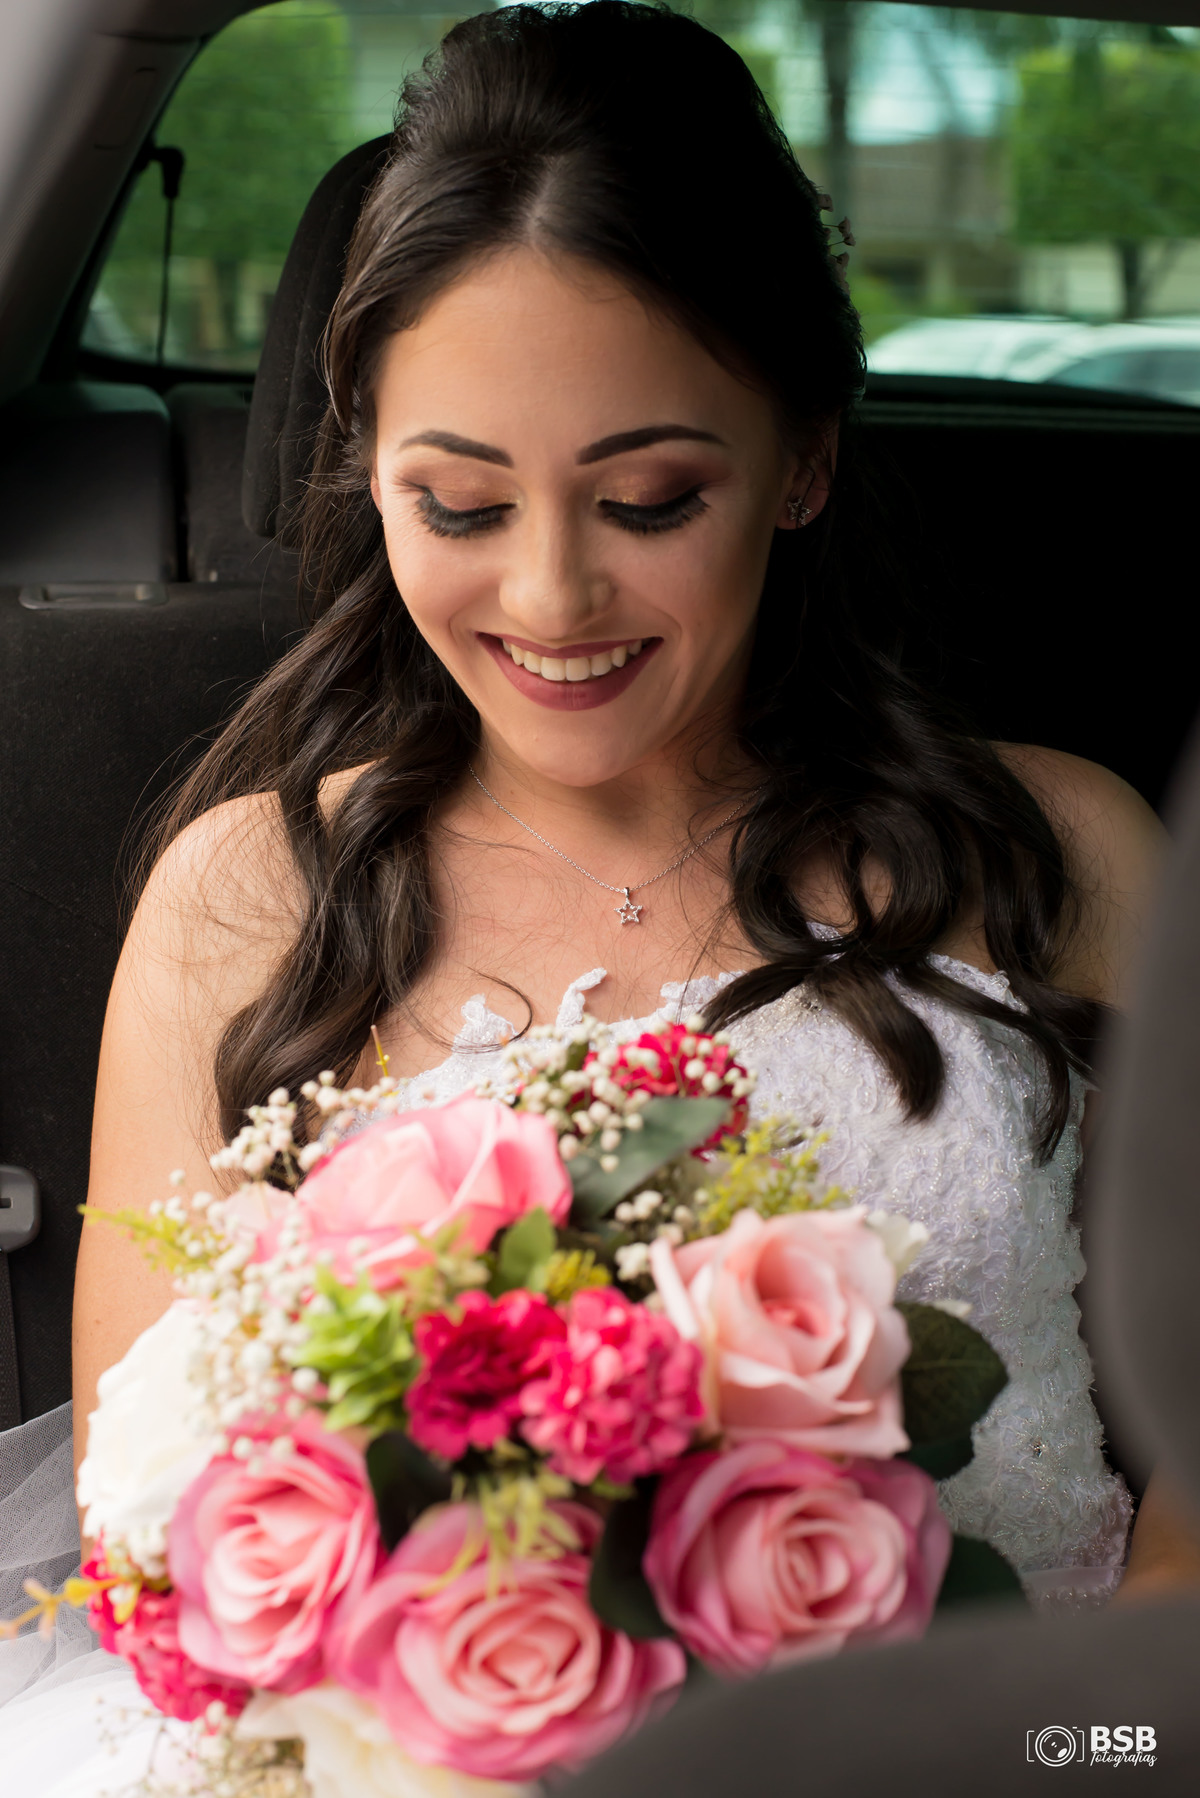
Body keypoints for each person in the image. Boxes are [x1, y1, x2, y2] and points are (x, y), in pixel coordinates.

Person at [1, 1, 1193, 1784]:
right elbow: (162, 1532)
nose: (553, 595)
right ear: (371, 473)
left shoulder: (1065, 855)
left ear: (802, 459)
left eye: (647, 497)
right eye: (459, 505)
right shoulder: (246, 899)